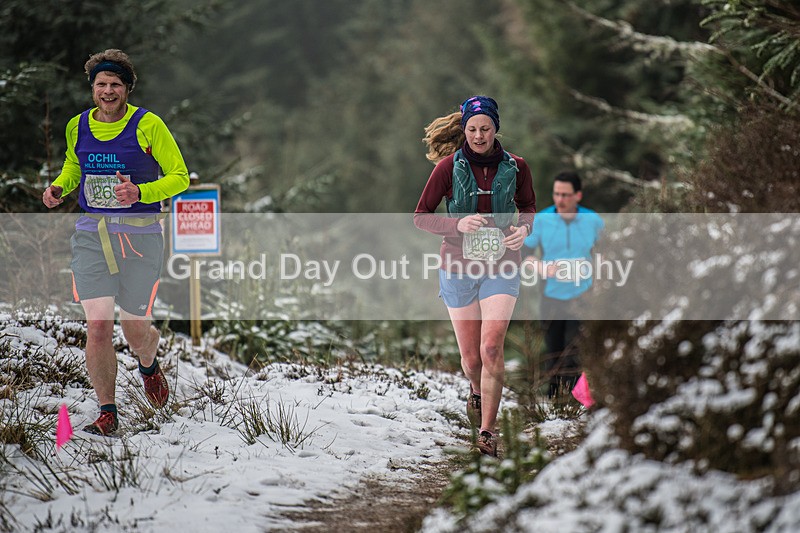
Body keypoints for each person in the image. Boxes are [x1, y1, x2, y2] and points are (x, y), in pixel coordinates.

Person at [42, 49, 189, 436]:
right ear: (92, 88)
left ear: (127, 89)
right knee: (99, 326)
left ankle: (149, 364)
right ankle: (108, 412)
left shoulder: (148, 124)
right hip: (93, 235)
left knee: (135, 330)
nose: (108, 91)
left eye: (115, 85)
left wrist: (139, 191)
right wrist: (60, 186)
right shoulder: (78, 125)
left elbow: (180, 177)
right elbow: (76, 165)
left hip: (140, 236)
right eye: (101, 84)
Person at [414, 96, 536, 456]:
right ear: (463, 130)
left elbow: (528, 207)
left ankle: (487, 432)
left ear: (496, 128)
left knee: (491, 346)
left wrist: (523, 231)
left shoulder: (518, 167)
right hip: (457, 266)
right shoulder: (448, 168)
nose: (479, 136)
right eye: (472, 129)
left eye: (485, 128)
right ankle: (477, 388)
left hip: (502, 263)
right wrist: (457, 223)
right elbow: (421, 215)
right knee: (471, 360)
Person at [522, 171, 603, 398]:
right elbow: (524, 253)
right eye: (557, 194)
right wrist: (541, 268)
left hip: (583, 294)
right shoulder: (543, 220)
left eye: (566, 195)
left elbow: (605, 252)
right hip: (551, 294)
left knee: (575, 351)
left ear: (578, 195)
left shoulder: (593, 220)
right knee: (554, 351)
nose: (560, 199)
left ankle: (574, 401)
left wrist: (597, 272)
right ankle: (553, 400)